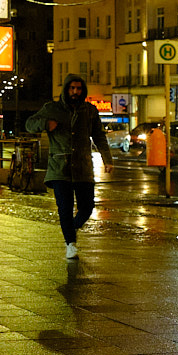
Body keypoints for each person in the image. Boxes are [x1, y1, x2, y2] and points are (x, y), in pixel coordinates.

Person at [26, 74, 113, 259]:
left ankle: (70, 228)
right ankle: (70, 244)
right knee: (64, 208)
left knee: (87, 206)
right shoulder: (52, 108)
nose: (75, 92)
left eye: (79, 88)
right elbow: (29, 124)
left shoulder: (89, 110)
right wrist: (45, 124)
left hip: (82, 167)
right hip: (60, 168)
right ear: (66, 89)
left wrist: (108, 159)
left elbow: (99, 135)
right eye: (72, 88)